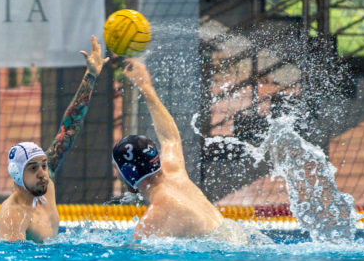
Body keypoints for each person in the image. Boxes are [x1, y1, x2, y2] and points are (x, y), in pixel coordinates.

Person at [113, 59, 270, 245]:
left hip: (223, 253)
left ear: (129, 174)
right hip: (236, 235)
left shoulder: (152, 221)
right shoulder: (173, 171)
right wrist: (146, 87)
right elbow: (169, 136)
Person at [0, 35, 109, 243]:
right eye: (33, 168)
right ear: (17, 174)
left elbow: (68, 129)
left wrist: (91, 75)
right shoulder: (13, 215)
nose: (42, 173)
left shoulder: (47, 183)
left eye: (44, 166)